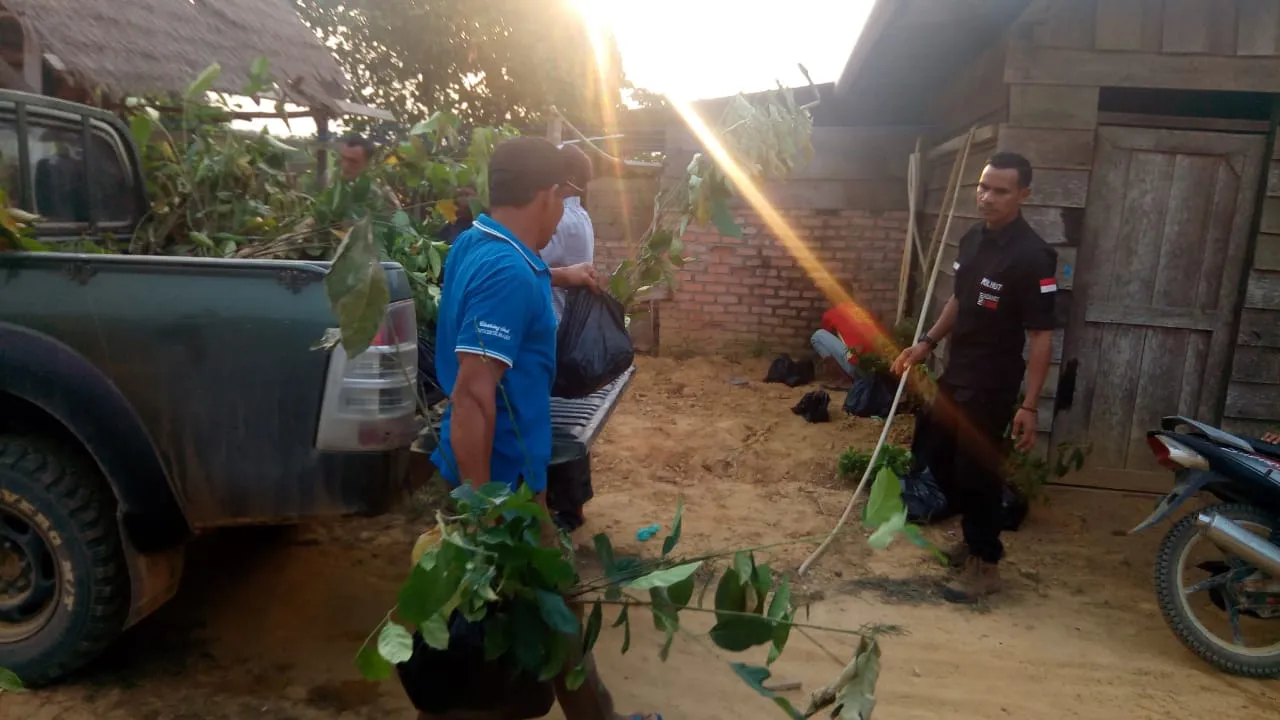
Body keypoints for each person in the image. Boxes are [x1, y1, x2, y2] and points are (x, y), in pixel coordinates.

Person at [424, 136, 655, 720]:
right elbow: (474, 395)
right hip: (502, 489)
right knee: (532, 622)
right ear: (549, 194)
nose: (565, 211)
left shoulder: (476, 243)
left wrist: (559, 276)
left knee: (530, 619)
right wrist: (487, 510)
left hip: (499, 477)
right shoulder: (509, 270)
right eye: (565, 196)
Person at [891, 151, 1057, 605]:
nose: (987, 197)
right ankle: (972, 539)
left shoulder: (1033, 256)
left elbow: (1041, 336)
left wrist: (1029, 404)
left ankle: (986, 562)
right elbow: (958, 301)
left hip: (992, 384)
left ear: (1023, 195)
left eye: (1000, 191)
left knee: (976, 470)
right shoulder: (971, 239)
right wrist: (926, 343)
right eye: (983, 187)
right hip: (958, 372)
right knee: (936, 456)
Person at [540, 143, 597, 322]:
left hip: (555, 320)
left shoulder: (561, 218)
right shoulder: (580, 214)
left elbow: (530, 269)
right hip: (567, 318)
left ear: (570, 180)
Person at [810, 302, 880, 388]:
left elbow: (827, 335)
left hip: (858, 370)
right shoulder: (865, 312)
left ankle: (841, 378)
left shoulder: (831, 313)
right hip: (877, 371)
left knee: (818, 335)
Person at [336, 134, 401, 210]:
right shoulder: (331, 181)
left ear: (367, 164)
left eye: (353, 161)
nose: (345, 165)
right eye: (343, 158)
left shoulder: (376, 197)